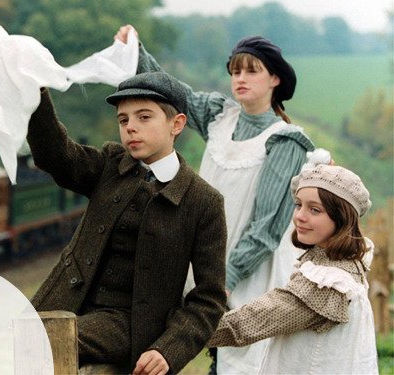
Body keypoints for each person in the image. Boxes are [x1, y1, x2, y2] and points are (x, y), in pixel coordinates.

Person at [115, 26, 316, 373]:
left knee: (245, 361)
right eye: (235, 70)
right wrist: (136, 49)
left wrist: (220, 282)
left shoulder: (285, 141)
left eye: (252, 70)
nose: (240, 78)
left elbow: (265, 229)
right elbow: (172, 92)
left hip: (251, 270)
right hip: (205, 255)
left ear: (275, 80)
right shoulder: (219, 115)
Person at [26, 71, 227, 374]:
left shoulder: (203, 202)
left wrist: (167, 350)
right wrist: (35, 93)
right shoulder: (110, 163)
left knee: (45, 339)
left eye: (144, 117)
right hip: (65, 302)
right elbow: (57, 156)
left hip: (130, 324)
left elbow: (208, 300)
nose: (131, 127)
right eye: (123, 120)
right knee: (6, 337)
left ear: (177, 124)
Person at [208, 164, 378, 374]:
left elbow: (252, 321)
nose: (300, 216)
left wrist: (184, 332)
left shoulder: (328, 284)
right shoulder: (345, 263)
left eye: (315, 209)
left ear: (342, 217)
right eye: (298, 205)